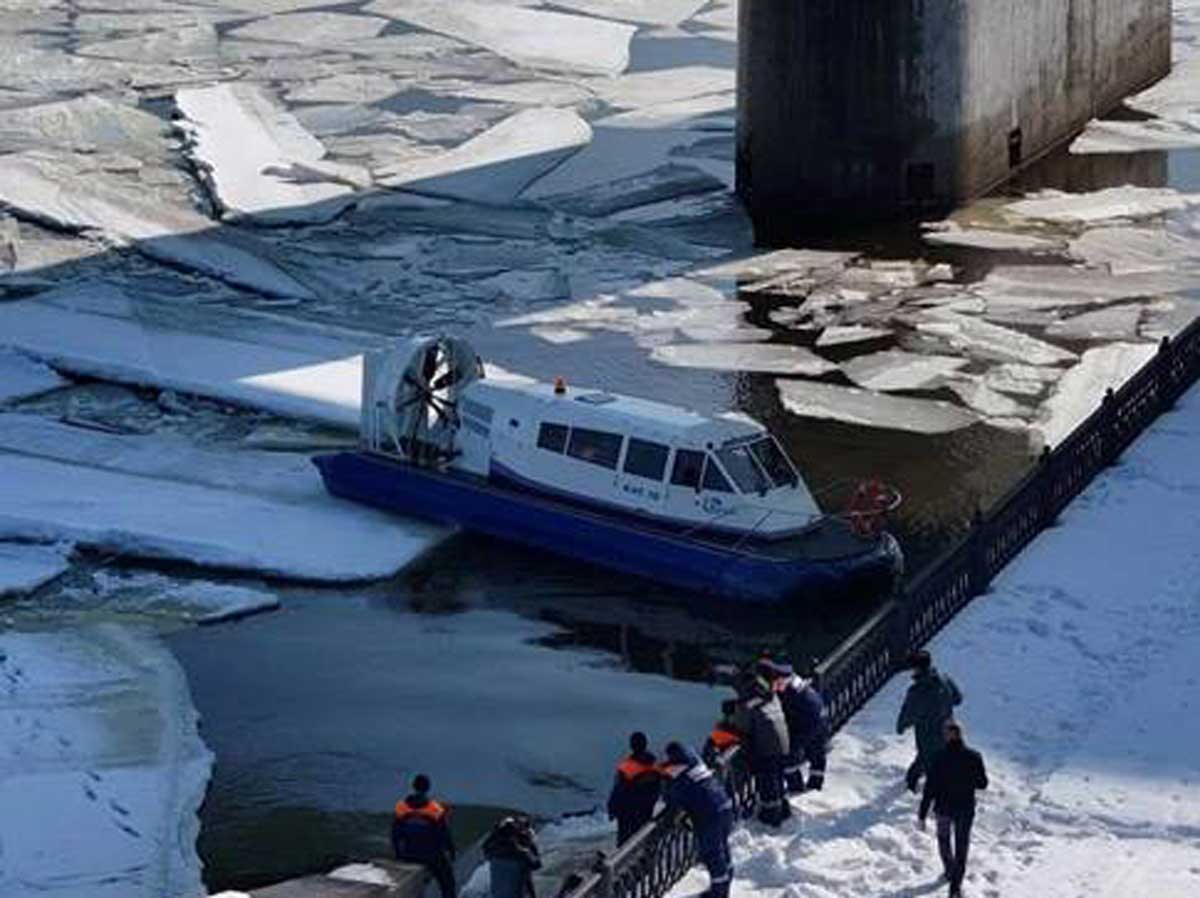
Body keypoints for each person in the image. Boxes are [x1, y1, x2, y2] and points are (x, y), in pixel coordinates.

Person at [918, 720, 988, 898]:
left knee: (943, 839)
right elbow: (983, 783)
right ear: (961, 734)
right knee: (962, 844)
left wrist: (923, 812)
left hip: (943, 807)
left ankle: (949, 870)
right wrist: (967, 779)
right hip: (965, 808)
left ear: (946, 735)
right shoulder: (974, 756)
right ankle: (955, 886)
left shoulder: (938, 757)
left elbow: (930, 787)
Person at [661, 742, 734, 898]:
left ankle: (719, 892)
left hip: (709, 814)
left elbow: (673, 802)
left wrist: (669, 820)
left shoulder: (679, 776)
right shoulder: (696, 764)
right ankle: (726, 881)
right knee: (722, 847)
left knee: (712, 853)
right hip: (724, 805)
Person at [758, 657, 829, 793]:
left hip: (808, 720)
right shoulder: (794, 681)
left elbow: (784, 710)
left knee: (788, 755)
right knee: (816, 750)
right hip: (817, 715)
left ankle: (796, 786)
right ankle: (815, 783)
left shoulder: (790, 691)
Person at [896, 649, 963, 792]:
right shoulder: (945, 679)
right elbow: (958, 699)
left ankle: (911, 785)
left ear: (916, 669)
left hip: (927, 733)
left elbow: (909, 713)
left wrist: (901, 726)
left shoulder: (917, 691)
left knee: (925, 758)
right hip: (947, 727)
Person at [733, 672, 791, 826]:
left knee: (767, 780)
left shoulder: (747, 703)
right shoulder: (770, 694)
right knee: (777, 777)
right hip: (783, 742)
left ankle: (771, 816)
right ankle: (783, 808)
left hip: (767, 747)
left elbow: (742, 728)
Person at [392, 774, 457, 898]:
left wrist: (399, 855)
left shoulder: (401, 807)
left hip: (409, 853)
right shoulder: (435, 809)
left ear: (413, 787)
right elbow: (444, 834)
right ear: (428, 788)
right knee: (448, 882)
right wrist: (451, 851)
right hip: (431, 855)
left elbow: (395, 834)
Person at [606, 731, 663, 844]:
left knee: (625, 844)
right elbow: (662, 786)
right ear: (646, 744)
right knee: (644, 839)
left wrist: (611, 809)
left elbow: (618, 791)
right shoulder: (655, 766)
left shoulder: (626, 767)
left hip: (627, 813)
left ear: (631, 746)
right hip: (646, 809)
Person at [483, 815, 542, 898]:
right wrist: (530, 843)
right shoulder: (521, 853)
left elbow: (485, 846)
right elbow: (537, 864)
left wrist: (496, 832)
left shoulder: (493, 851)